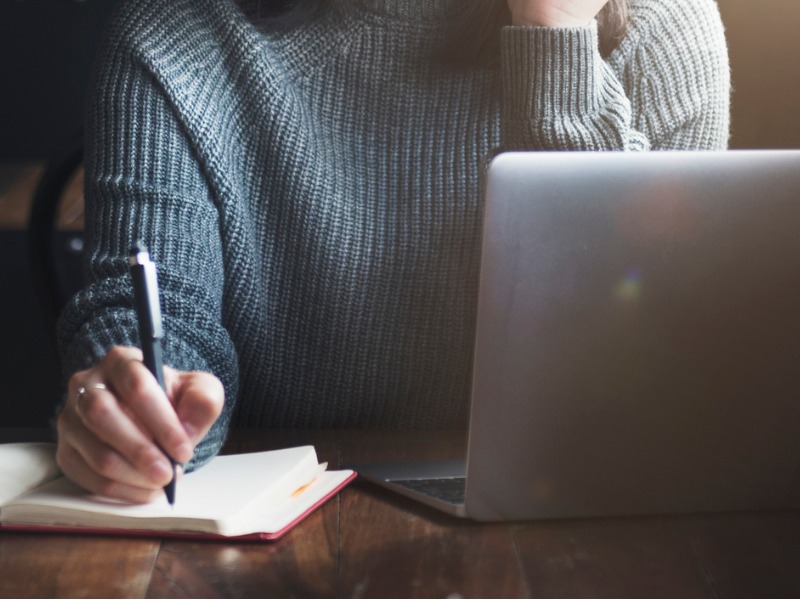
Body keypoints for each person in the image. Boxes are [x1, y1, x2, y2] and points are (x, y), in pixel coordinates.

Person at [55, 0, 730, 502]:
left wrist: (558, 41)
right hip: (267, 538)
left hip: (563, 527)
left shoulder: (657, 27)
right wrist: (142, 403)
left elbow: (649, 391)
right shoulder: (173, 33)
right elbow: (154, 311)